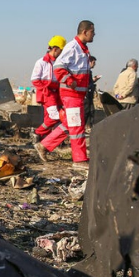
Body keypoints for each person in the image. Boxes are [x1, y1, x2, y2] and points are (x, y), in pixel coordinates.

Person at [50, 20, 95, 168]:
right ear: (84, 32)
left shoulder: (81, 49)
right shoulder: (73, 47)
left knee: (71, 124)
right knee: (77, 127)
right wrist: (69, 81)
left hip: (76, 95)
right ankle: (79, 159)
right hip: (71, 94)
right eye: (92, 31)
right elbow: (58, 66)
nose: (94, 34)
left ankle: (44, 145)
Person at [30, 35, 66, 144]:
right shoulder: (41, 62)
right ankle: (37, 133)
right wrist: (45, 90)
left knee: (49, 118)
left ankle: (43, 138)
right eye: (61, 50)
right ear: (55, 49)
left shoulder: (60, 62)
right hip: (47, 93)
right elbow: (35, 79)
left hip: (57, 93)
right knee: (56, 116)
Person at [84, 56, 101, 128]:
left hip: (90, 94)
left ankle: (89, 126)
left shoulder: (89, 72)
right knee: (86, 111)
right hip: (86, 94)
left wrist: (94, 80)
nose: (94, 64)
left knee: (91, 111)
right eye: (93, 62)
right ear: (89, 62)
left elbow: (89, 82)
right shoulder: (85, 71)